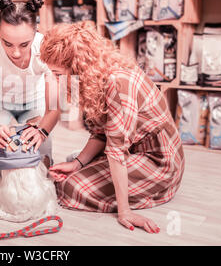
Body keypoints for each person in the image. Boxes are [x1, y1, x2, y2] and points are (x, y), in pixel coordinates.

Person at [40, 21, 185, 234]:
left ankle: (147, 191)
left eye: (59, 74)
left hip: (159, 162)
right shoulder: (100, 75)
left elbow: (116, 151)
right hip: (133, 151)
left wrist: (124, 211)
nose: (56, 79)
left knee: (69, 188)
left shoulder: (118, 82)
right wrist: (78, 163)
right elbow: (101, 133)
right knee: (71, 165)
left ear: (79, 66)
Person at [0, 0, 60, 179]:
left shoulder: (45, 48)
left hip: (34, 101)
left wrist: (41, 130)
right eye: (7, 43)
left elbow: (54, 107)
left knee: (43, 167)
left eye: (24, 44)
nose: (16, 53)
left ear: (35, 33)